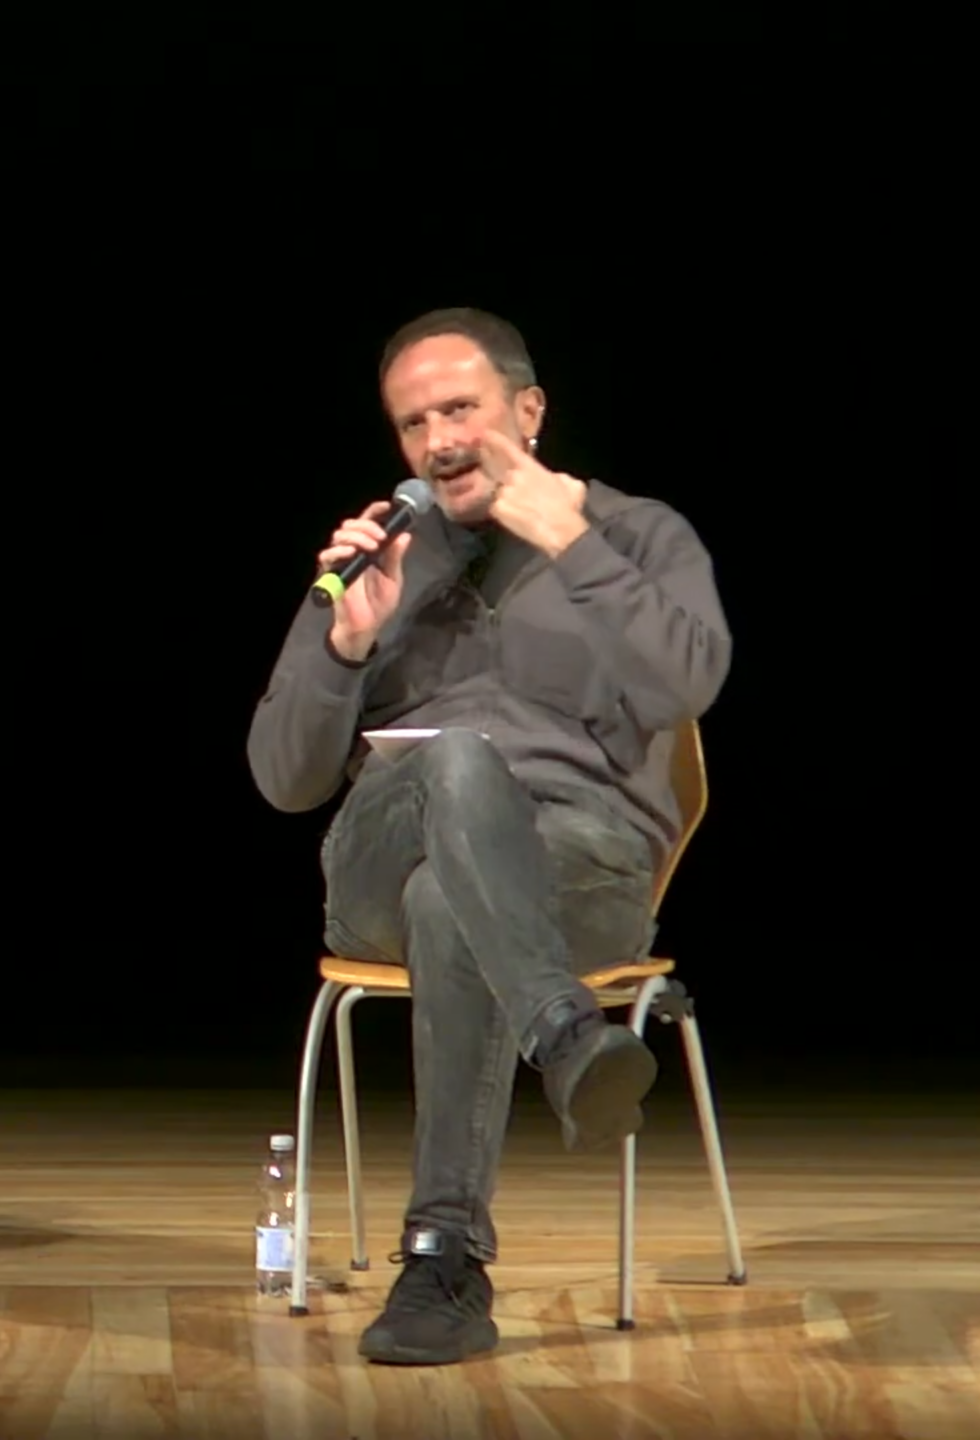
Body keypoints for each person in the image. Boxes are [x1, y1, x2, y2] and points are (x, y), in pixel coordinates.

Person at [246, 308, 731, 1366]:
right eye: (413, 423)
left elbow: (685, 684)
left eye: (459, 410)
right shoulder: (382, 556)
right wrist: (345, 644)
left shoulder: (637, 536)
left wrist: (572, 544)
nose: (438, 442)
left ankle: (443, 1263)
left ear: (529, 410)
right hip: (382, 863)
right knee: (456, 765)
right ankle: (565, 1037)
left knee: (449, 899)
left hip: (578, 868)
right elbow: (283, 779)